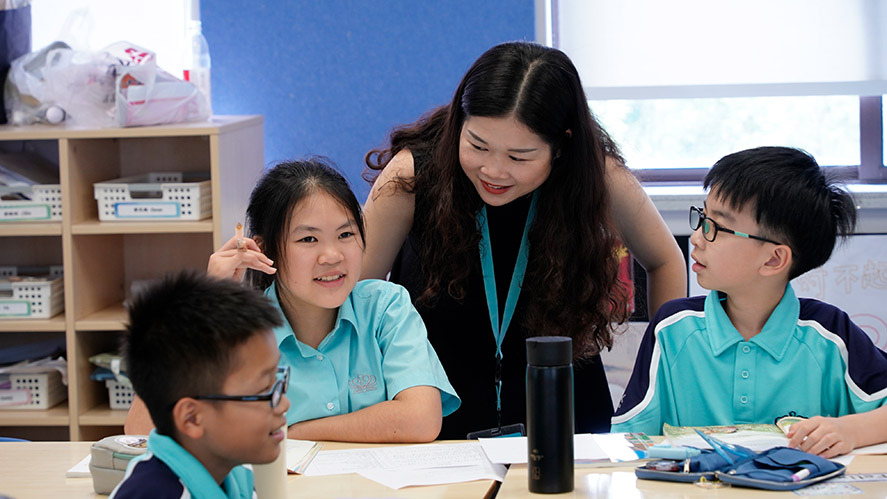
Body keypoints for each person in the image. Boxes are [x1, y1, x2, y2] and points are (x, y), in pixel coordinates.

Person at [362, 41, 687, 438]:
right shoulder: (413, 175)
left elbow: (665, 260)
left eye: (519, 156)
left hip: (565, 411)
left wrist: (658, 380)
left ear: (561, 145)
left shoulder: (594, 176)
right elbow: (357, 290)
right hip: (438, 413)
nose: (494, 170)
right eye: (478, 145)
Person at [125, 158, 460, 442]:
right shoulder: (237, 330)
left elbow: (421, 420)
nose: (332, 256)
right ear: (264, 248)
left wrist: (294, 432)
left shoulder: (385, 306)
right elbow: (141, 433)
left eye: (346, 234)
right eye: (308, 238)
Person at [611, 146, 887, 457]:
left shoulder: (831, 335)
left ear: (774, 259)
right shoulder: (672, 329)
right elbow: (627, 441)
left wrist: (850, 430)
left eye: (717, 226)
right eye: (703, 217)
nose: (698, 238)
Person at [112, 271, 288, 498]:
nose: (284, 403)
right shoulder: (153, 493)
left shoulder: (235, 476)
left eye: (279, 382)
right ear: (192, 417)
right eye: (264, 390)